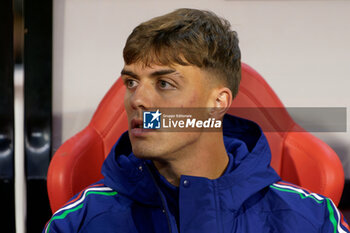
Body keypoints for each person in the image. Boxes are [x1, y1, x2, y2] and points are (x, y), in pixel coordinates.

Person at [43, 8, 350, 233]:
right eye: (131, 82)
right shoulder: (78, 222)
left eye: (164, 84)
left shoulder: (313, 219)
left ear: (218, 104)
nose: (137, 100)